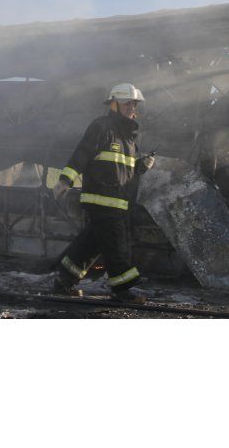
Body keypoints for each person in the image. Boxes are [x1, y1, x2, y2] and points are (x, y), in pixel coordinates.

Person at [52, 83, 156, 303]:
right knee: (117, 245)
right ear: (114, 104)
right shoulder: (101, 127)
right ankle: (122, 290)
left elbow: (123, 171)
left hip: (119, 202)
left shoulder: (129, 139)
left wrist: (141, 166)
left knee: (92, 243)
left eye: (134, 104)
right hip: (101, 199)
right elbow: (82, 154)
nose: (132, 107)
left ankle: (64, 279)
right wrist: (64, 180)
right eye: (127, 103)